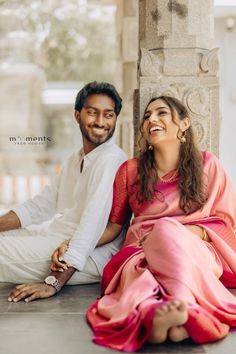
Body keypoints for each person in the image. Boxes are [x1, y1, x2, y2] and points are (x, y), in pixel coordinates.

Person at [82, 95, 236, 352]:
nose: (151, 119)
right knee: (140, 276)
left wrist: (179, 232)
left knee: (164, 228)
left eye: (161, 113)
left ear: (184, 123)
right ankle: (162, 317)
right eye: (147, 116)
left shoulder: (208, 165)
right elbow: (113, 227)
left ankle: (180, 305)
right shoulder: (130, 171)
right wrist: (73, 246)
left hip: (196, 248)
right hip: (142, 249)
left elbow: (227, 223)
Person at [0, 81, 128, 303]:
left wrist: (54, 282)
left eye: (108, 115)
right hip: (57, 239)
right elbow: (40, 206)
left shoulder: (111, 160)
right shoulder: (76, 159)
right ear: (77, 115)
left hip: (87, 257)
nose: (100, 122)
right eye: (92, 113)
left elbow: (92, 224)